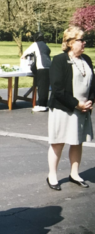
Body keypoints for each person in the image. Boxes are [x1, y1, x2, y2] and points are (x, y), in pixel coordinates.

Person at [46, 26, 95, 191]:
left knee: (77, 142)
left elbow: (92, 83)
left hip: (82, 109)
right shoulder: (59, 60)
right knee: (58, 142)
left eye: (83, 40)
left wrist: (90, 101)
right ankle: (52, 175)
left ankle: (74, 174)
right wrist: (76, 104)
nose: (84, 43)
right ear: (70, 42)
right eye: (81, 40)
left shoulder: (86, 60)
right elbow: (57, 89)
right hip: (63, 108)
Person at [21, 32, 52, 112]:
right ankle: (44, 104)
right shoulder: (45, 45)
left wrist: (23, 57)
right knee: (45, 87)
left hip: (42, 66)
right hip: (49, 66)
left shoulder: (36, 44)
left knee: (42, 87)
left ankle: (42, 105)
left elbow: (26, 52)